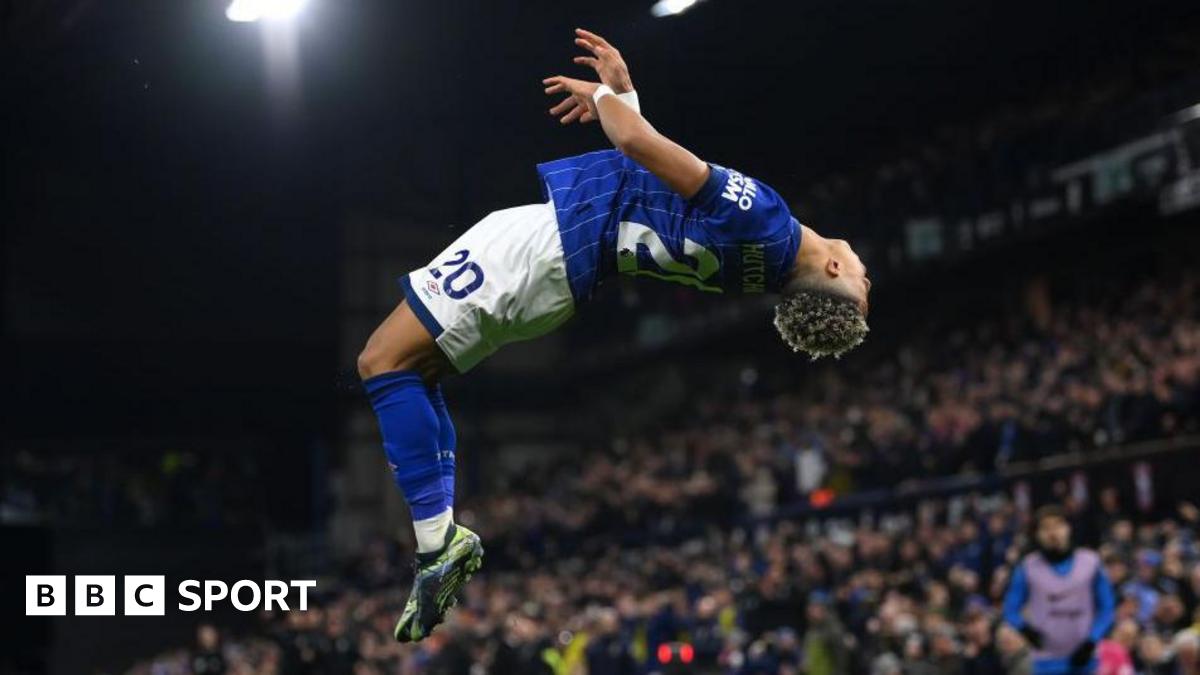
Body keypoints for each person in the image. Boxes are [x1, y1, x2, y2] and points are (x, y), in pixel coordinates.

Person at [355, 28, 873, 642]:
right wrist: (621, 95)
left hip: (548, 248)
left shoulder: (766, 221)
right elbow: (661, 190)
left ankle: (436, 542)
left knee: (381, 361)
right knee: (416, 371)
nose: (865, 266)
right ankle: (439, 535)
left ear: (835, 270)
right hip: (561, 275)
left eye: (865, 278)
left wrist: (611, 103)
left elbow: (634, 146)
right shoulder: (760, 269)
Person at [1004, 505, 1117, 674]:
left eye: (1058, 525)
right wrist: (1026, 630)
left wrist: (1092, 640)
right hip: (1046, 661)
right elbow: (1010, 609)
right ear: (1037, 534)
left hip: (1085, 659)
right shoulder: (1028, 567)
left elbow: (1107, 608)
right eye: (1045, 528)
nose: (1053, 533)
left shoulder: (1091, 562)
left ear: (1068, 528)